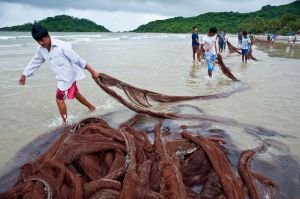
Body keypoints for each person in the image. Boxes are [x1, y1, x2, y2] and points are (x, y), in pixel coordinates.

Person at [18, 24, 99, 123]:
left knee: (59, 98)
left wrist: (92, 71)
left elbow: (77, 59)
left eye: (42, 40)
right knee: (76, 94)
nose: (41, 43)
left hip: (69, 77)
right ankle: (92, 108)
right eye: (38, 41)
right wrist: (24, 74)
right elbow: (35, 61)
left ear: (48, 35)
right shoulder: (41, 50)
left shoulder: (62, 46)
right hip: (61, 77)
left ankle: (65, 123)